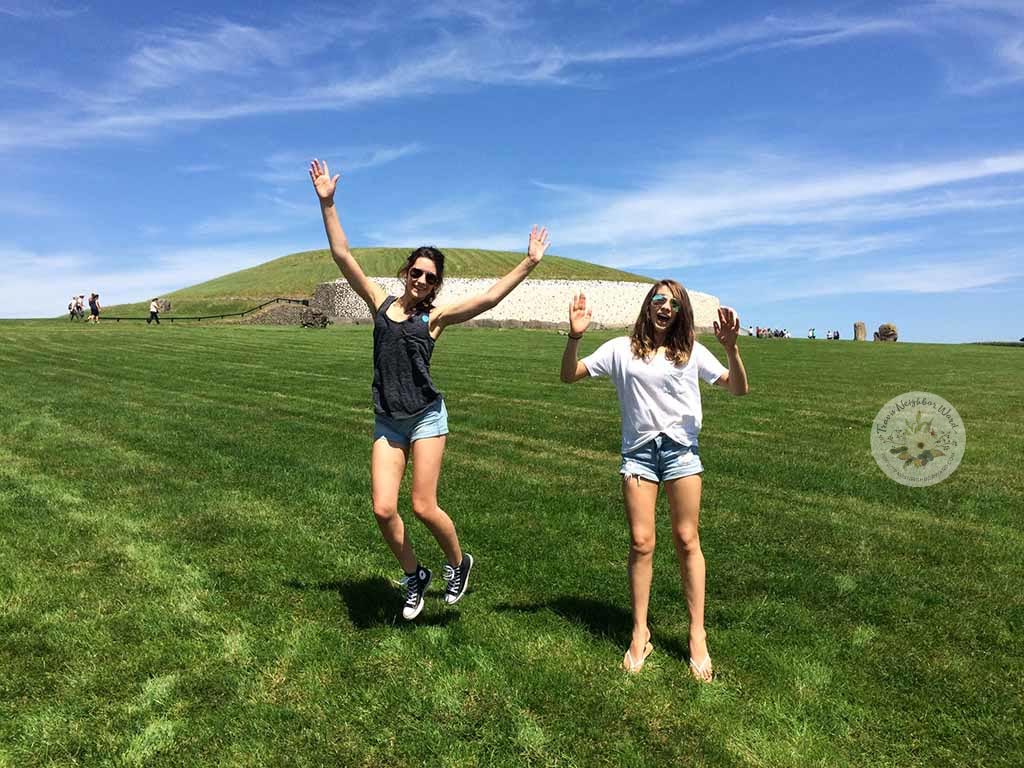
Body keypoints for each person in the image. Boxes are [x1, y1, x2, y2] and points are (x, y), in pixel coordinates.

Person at [309, 158, 551, 620]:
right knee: (383, 509)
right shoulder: (380, 304)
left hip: (425, 416)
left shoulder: (433, 319)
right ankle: (415, 575)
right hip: (387, 419)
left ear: (437, 284)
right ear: (406, 272)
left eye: (430, 277)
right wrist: (328, 203)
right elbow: (343, 256)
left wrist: (528, 263)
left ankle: (459, 563)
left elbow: (488, 298)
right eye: (416, 273)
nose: (421, 281)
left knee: (422, 505)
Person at [560, 282, 748, 681]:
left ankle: (697, 633)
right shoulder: (619, 349)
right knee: (642, 542)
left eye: (674, 303)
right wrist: (575, 337)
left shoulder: (692, 352)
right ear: (648, 306)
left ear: (682, 313)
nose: (666, 307)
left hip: (681, 452)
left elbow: (737, 387)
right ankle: (639, 631)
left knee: (686, 539)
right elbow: (568, 375)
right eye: (659, 300)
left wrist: (732, 348)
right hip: (639, 454)